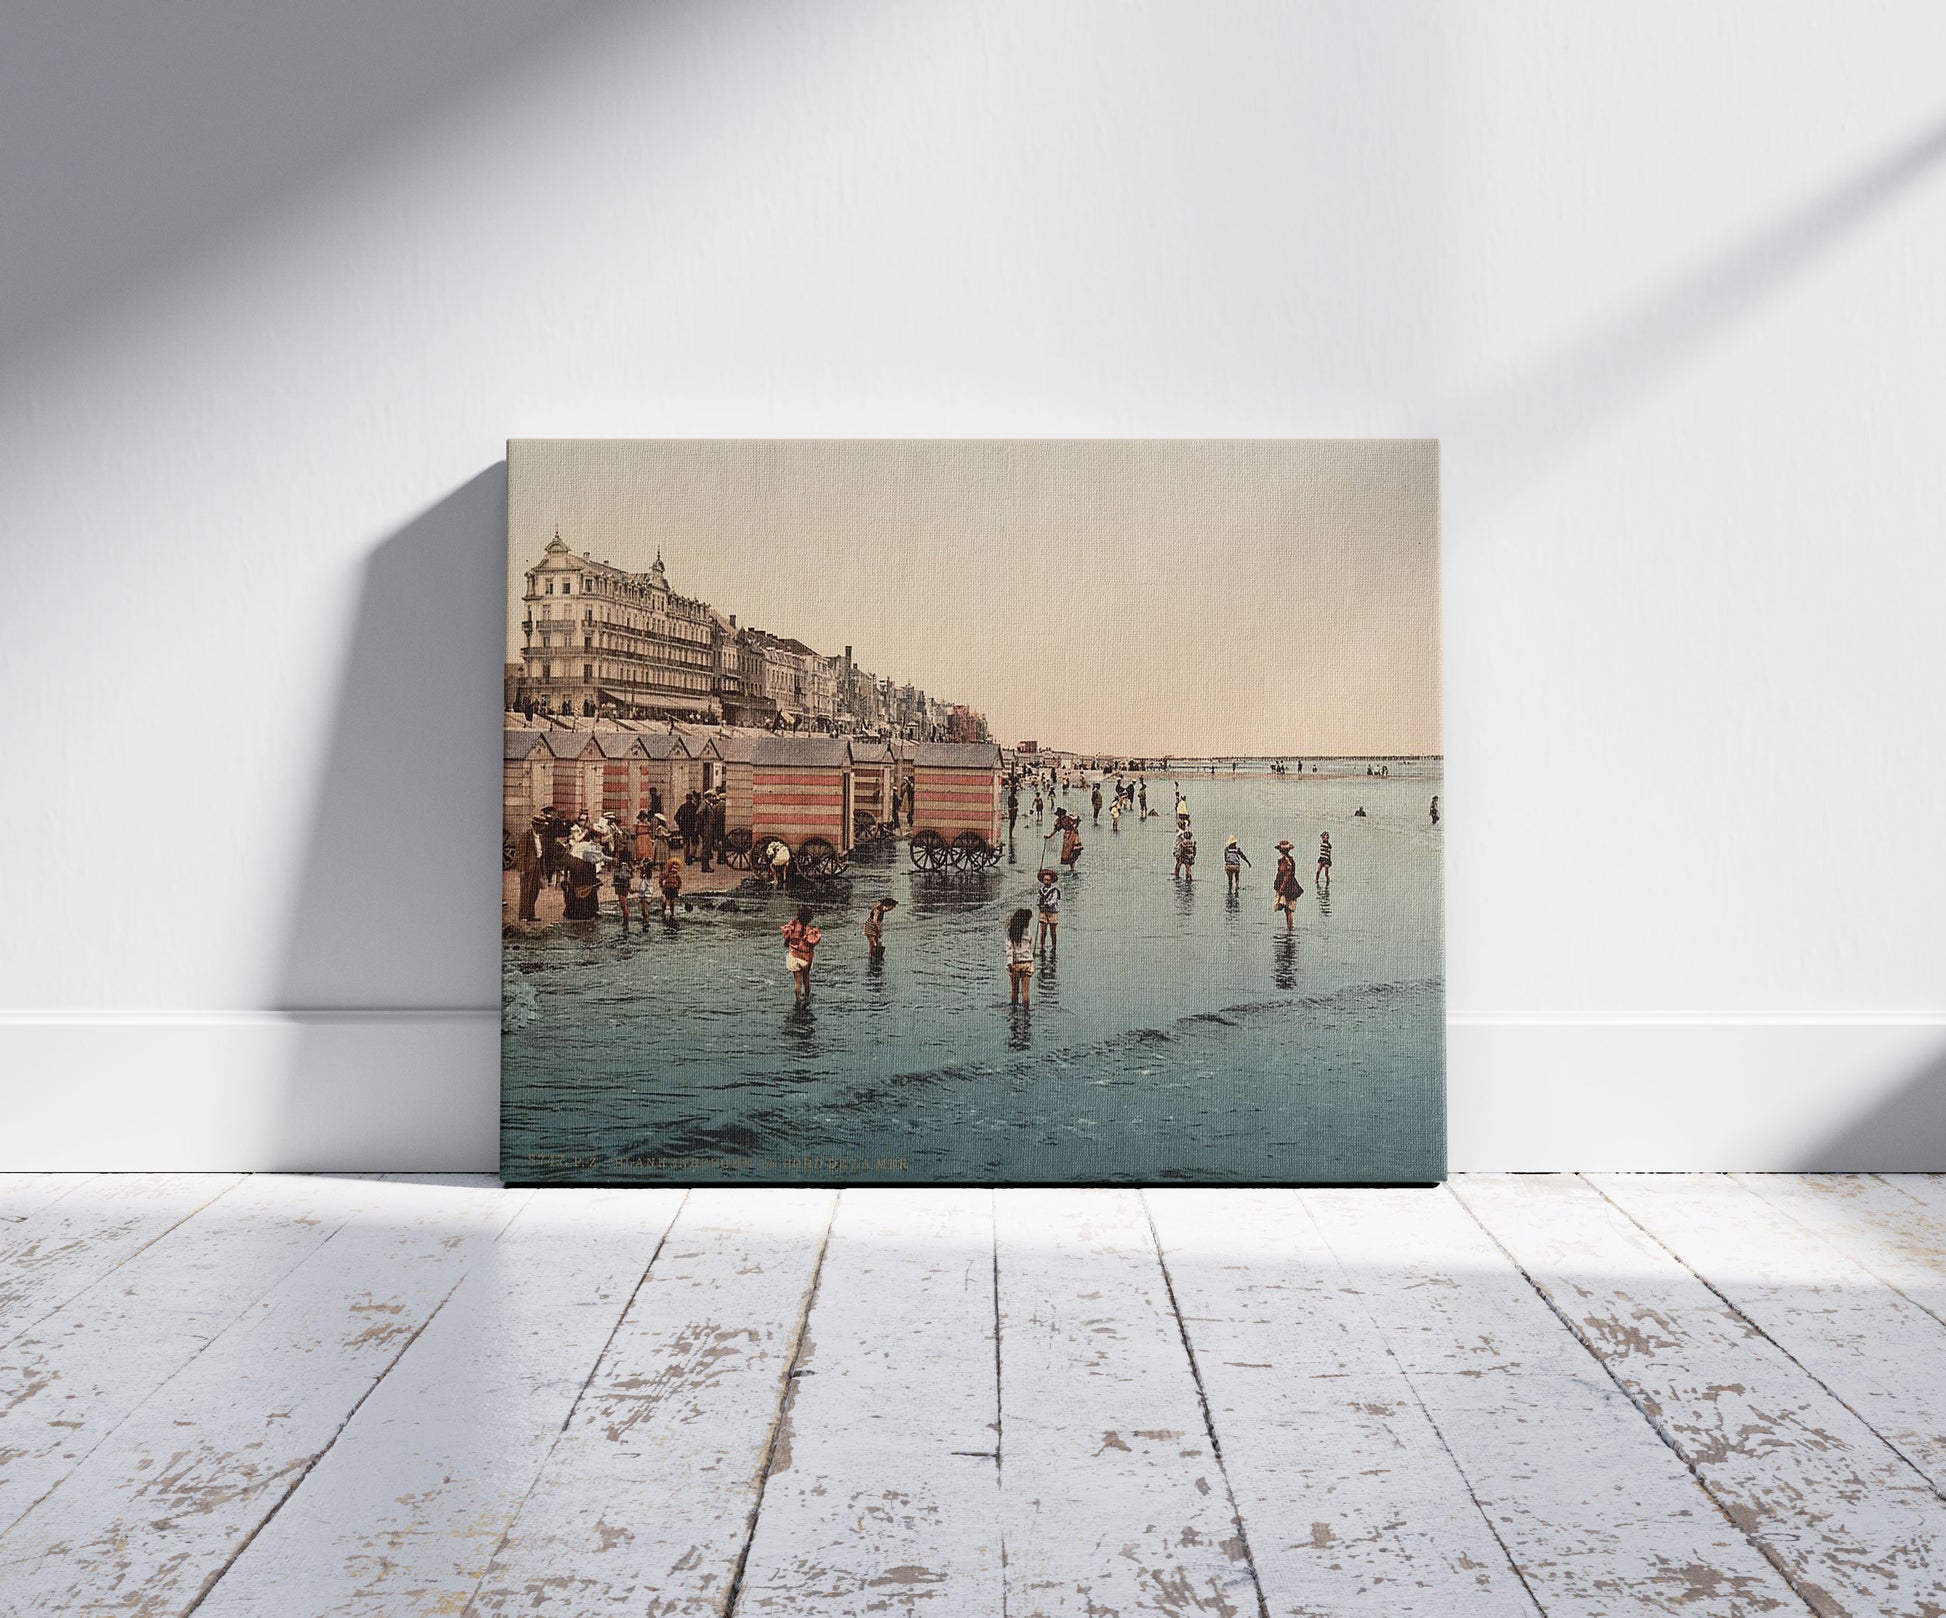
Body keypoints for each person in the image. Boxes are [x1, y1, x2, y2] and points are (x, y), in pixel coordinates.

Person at [782, 905, 822, 1000]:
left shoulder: (792, 927)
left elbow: (786, 940)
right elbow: (812, 945)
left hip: (794, 957)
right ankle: (807, 997)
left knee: (797, 982)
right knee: (806, 979)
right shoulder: (809, 931)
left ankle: (798, 999)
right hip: (805, 959)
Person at [512, 815, 547, 922]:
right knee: (525, 891)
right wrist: (521, 869)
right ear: (535, 826)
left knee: (534, 890)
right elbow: (520, 854)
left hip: (537, 865)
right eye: (541, 826)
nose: (543, 828)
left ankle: (531, 914)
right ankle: (523, 915)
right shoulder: (526, 836)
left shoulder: (539, 836)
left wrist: (543, 870)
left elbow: (541, 854)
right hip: (528, 867)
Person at [1006, 907, 1035, 1007]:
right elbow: (1030, 944)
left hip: (1015, 964)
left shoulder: (1011, 932)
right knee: (1025, 992)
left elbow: (1009, 949)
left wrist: (1010, 963)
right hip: (1027, 962)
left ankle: (1014, 1014)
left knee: (1014, 991)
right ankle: (1026, 1015)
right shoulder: (1028, 931)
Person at [1272, 839, 1303, 931]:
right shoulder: (1287, 860)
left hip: (1287, 886)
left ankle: (1289, 929)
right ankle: (1290, 928)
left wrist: (1281, 888)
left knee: (1288, 910)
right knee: (1287, 910)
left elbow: (1287, 875)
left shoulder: (1285, 861)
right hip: (1289, 885)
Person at [1036, 868, 1060, 952]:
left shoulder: (1055, 891)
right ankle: (1042, 946)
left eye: (1048, 880)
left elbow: (1054, 900)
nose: (1046, 882)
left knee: (1053, 932)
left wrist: (1047, 904)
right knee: (1043, 932)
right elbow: (1038, 899)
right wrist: (1039, 905)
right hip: (1043, 913)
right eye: (1045, 880)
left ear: (1051, 881)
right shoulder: (1041, 891)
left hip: (1052, 912)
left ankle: (1054, 946)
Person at [611, 854, 635, 931]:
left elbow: (624, 876)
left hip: (622, 887)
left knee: (624, 906)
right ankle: (625, 921)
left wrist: (617, 875)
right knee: (623, 906)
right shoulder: (622, 866)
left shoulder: (623, 866)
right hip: (621, 886)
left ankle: (626, 922)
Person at [658, 855, 684, 920]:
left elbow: (679, 881)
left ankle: (672, 913)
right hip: (667, 888)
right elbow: (661, 878)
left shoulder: (677, 876)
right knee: (664, 901)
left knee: (672, 902)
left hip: (673, 889)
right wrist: (661, 885)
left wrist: (678, 887)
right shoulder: (667, 874)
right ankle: (663, 912)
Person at [674, 793, 698, 860]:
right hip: (693, 828)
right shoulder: (694, 807)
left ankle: (686, 857)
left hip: (684, 828)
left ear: (686, 798)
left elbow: (676, 817)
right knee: (694, 842)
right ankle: (692, 856)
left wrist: (680, 824)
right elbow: (697, 818)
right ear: (691, 798)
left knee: (686, 843)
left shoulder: (682, 806)